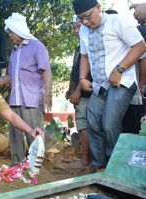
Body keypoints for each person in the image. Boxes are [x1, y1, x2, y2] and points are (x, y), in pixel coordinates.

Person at [72, 0, 146, 170]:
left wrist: (120, 69)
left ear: (99, 8)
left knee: (109, 123)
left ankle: (115, 165)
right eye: (80, 19)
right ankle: (99, 164)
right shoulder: (84, 30)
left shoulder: (118, 22)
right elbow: (84, 56)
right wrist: (83, 78)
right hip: (99, 85)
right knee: (92, 123)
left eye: (87, 17)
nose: (84, 22)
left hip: (122, 83)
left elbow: (140, 46)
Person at [0, 13, 52, 166]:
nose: (10, 36)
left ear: (18, 30)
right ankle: (18, 163)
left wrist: (48, 92)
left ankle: (37, 164)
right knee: (15, 134)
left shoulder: (36, 46)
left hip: (31, 98)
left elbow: (46, 70)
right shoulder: (14, 51)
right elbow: (11, 77)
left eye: (11, 32)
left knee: (34, 132)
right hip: (15, 98)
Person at [65, 15, 91, 170]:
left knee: (84, 125)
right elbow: (75, 72)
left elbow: (88, 73)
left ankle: (85, 161)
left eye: (78, 26)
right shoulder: (80, 47)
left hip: (86, 94)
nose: (75, 30)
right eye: (74, 27)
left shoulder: (89, 46)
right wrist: (70, 90)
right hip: (79, 94)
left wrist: (77, 90)